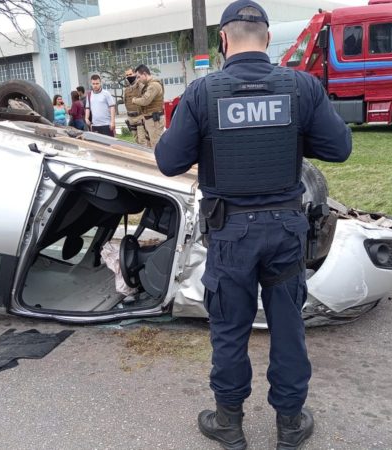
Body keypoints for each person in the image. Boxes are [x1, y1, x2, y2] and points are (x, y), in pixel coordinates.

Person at [154, 1, 352, 449]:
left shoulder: (203, 93)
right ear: (266, 38)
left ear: (224, 39)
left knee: (229, 330)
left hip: (230, 235)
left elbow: (168, 161)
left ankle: (229, 423)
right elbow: (339, 148)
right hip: (285, 231)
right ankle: (289, 425)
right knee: (287, 327)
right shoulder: (301, 87)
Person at [131, 64, 165, 148]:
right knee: (150, 145)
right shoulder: (149, 85)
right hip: (150, 120)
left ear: (145, 74)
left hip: (154, 120)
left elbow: (145, 101)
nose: (138, 79)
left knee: (156, 146)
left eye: (139, 77)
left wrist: (134, 100)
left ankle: (158, 161)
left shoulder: (154, 85)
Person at [123, 68, 149, 146]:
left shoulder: (141, 86)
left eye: (130, 74)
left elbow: (146, 100)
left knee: (142, 141)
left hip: (139, 117)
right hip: (131, 118)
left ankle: (145, 157)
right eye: (127, 75)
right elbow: (126, 103)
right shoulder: (126, 89)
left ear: (134, 74)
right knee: (136, 141)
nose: (128, 76)